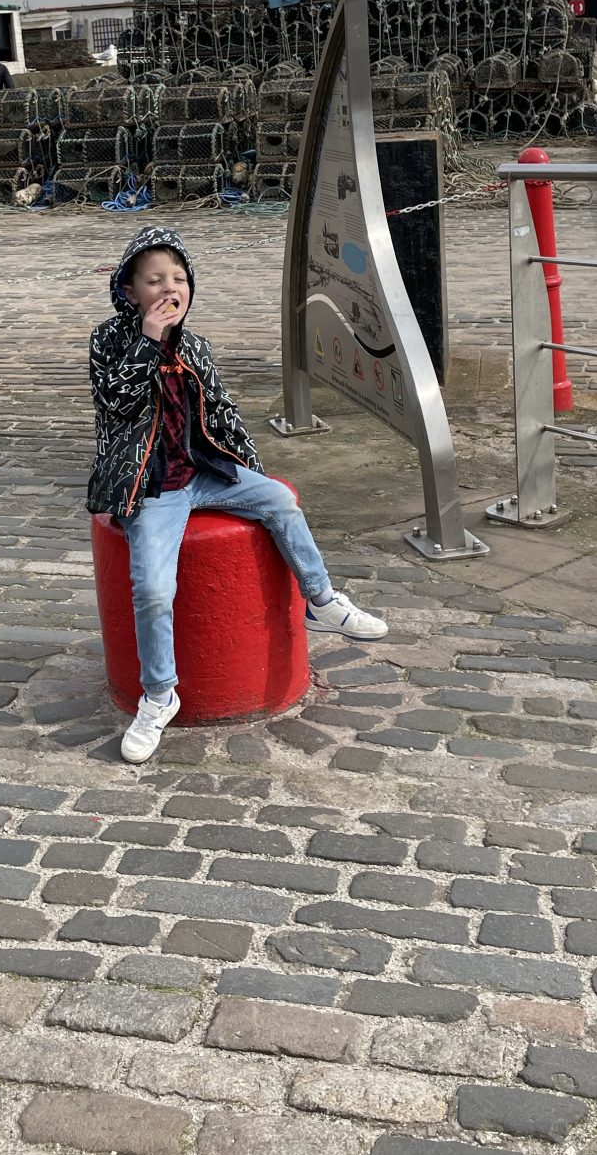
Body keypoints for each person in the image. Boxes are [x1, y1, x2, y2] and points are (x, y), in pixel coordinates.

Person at [88, 224, 388, 763]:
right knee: (152, 588)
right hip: (149, 485)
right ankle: (159, 695)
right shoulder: (109, 340)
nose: (169, 288)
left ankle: (322, 601)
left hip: (204, 471)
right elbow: (117, 402)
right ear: (130, 291)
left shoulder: (195, 346)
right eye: (155, 280)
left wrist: (251, 471)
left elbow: (222, 414)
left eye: (179, 278)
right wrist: (148, 341)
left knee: (279, 501)